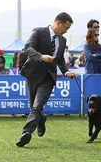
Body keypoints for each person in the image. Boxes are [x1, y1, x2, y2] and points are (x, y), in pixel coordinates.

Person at [16, 12, 76, 147]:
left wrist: (66, 73)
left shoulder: (63, 40)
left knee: (37, 106)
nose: (66, 31)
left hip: (49, 77)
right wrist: (41, 57)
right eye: (65, 28)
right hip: (33, 74)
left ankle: (26, 133)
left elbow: (60, 61)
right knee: (33, 107)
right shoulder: (38, 31)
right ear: (58, 23)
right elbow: (27, 48)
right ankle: (41, 120)